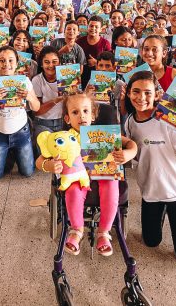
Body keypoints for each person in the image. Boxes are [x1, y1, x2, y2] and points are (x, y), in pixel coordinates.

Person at [37, 93, 137, 256]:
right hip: (77, 177)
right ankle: (76, 230)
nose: (81, 116)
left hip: (103, 175)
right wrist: (48, 165)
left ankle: (103, 233)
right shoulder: (64, 138)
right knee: (73, 191)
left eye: (85, 111)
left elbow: (130, 144)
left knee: (111, 185)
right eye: (75, 112)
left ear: (93, 115)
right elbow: (40, 160)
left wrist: (130, 153)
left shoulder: (104, 135)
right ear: (68, 119)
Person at [123, 71, 176, 261]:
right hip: (150, 191)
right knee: (151, 242)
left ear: (157, 94)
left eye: (148, 92)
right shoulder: (130, 122)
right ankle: (163, 210)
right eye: (136, 92)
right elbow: (132, 154)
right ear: (128, 93)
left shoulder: (169, 122)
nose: (141, 98)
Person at [0, 46, 41, 181]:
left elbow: (36, 107)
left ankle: (13, 152)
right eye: (2, 60)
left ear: (17, 64)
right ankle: (9, 153)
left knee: (28, 172)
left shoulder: (24, 81)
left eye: (11, 60)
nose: (6, 64)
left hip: (21, 132)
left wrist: (29, 97)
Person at [31, 47, 65, 138]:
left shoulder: (66, 78)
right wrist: (56, 100)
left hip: (64, 121)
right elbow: (37, 111)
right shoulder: (37, 80)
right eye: (47, 62)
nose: (51, 65)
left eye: (54, 62)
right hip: (43, 123)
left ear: (59, 63)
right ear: (41, 64)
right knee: (45, 151)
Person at [77, 15, 112, 85]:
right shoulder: (79, 41)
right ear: (87, 27)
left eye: (96, 27)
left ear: (101, 29)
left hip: (99, 78)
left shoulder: (106, 43)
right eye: (91, 26)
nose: (93, 28)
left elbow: (110, 64)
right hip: (81, 77)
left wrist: (96, 62)